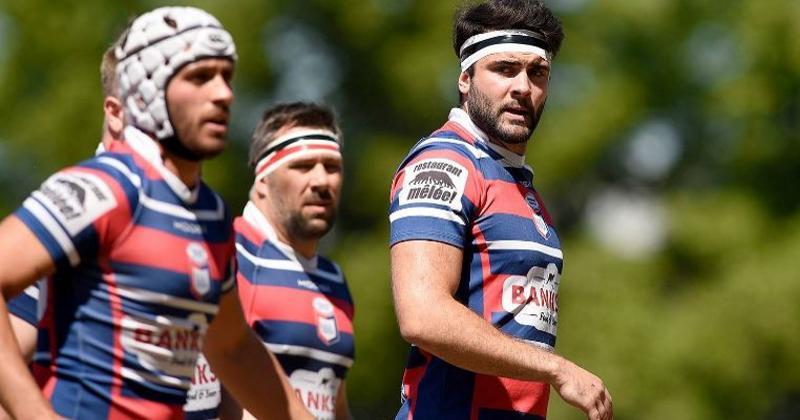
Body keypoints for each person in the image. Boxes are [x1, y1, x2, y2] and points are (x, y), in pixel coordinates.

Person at [0, 6, 310, 419]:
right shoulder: (103, 189)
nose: (223, 94)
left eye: (226, 76)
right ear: (147, 91)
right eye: (199, 78)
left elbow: (233, 348)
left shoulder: (212, 216)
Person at [388, 1, 613, 419]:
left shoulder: (514, 180)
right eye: (505, 69)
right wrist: (556, 368)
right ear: (465, 78)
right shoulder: (445, 164)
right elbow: (422, 315)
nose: (523, 87)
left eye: (537, 73)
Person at [236, 103, 355, 420]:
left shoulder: (333, 280)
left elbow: (334, 404)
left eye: (332, 166)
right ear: (263, 179)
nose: (321, 181)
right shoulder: (230, 257)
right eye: (302, 166)